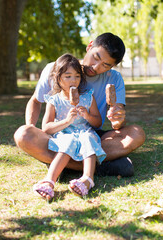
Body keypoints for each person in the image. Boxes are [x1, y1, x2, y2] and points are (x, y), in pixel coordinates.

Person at [14, 32, 145, 177]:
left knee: (136, 134)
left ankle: (64, 165)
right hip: (59, 135)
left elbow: (117, 121)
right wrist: (31, 128)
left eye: (105, 65)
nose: (95, 67)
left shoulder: (114, 79)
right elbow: (35, 101)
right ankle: (99, 167)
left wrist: (118, 120)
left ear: (112, 67)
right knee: (23, 134)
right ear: (89, 46)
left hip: (90, 134)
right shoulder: (55, 69)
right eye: (96, 57)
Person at [33, 53, 104, 200]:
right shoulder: (54, 100)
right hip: (64, 134)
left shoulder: (87, 97)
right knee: (69, 141)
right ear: (58, 78)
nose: (74, 80)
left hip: (84, 131)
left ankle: (88, 179)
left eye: (77, 76)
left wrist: (88, 116)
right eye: (68, 76)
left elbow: (98, 122)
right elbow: (46, 127)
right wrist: (66, 121)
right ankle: (49, 181)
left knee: (87, 137)